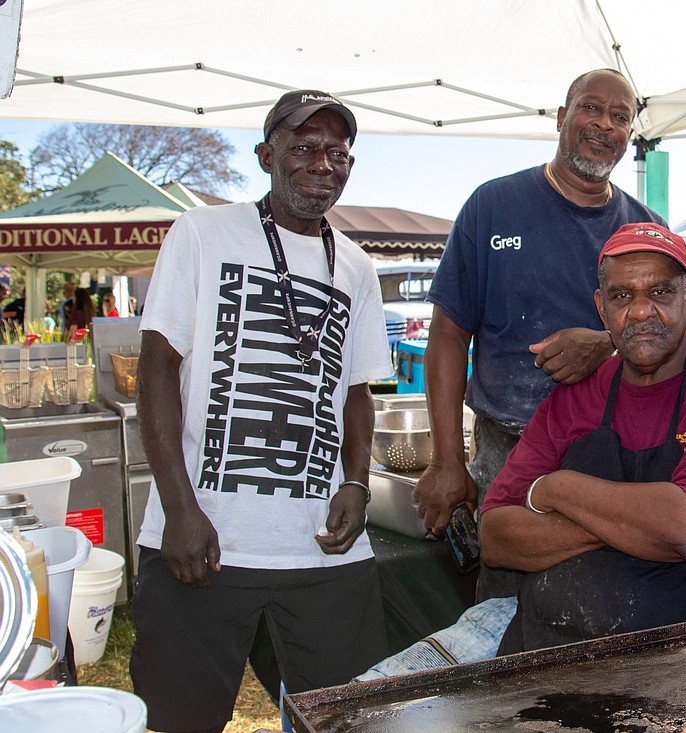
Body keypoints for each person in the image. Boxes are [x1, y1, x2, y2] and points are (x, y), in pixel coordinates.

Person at [419, 68, 686, 603]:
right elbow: (448, 335)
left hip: (624, 447)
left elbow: (671, 320)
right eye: (591, 108)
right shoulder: (493, 206)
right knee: (507, 599)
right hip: (512, 443)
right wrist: (447, 458)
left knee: (631, 586)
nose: (604, 125)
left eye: (620, 117)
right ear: (563, 118)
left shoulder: (645, 223)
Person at [129, 89, 391, 733]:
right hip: (207, 539)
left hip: (321, 552)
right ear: (266, 155)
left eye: (337, 152)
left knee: (350, 719)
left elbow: (357, 390)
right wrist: (181, 509)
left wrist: (356, 481)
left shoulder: (355, 265)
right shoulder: (203, 232)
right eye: (303, 148)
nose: (322, 163)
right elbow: (157, 367)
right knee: (177, 719)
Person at [480, 223, 686, 652]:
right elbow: (496, 537)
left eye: (660, 292)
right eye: (622, 295)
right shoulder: (574, 397)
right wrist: (640, 526)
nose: (641, 311)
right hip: (560, 655)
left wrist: (557, 488)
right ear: (601, 308)